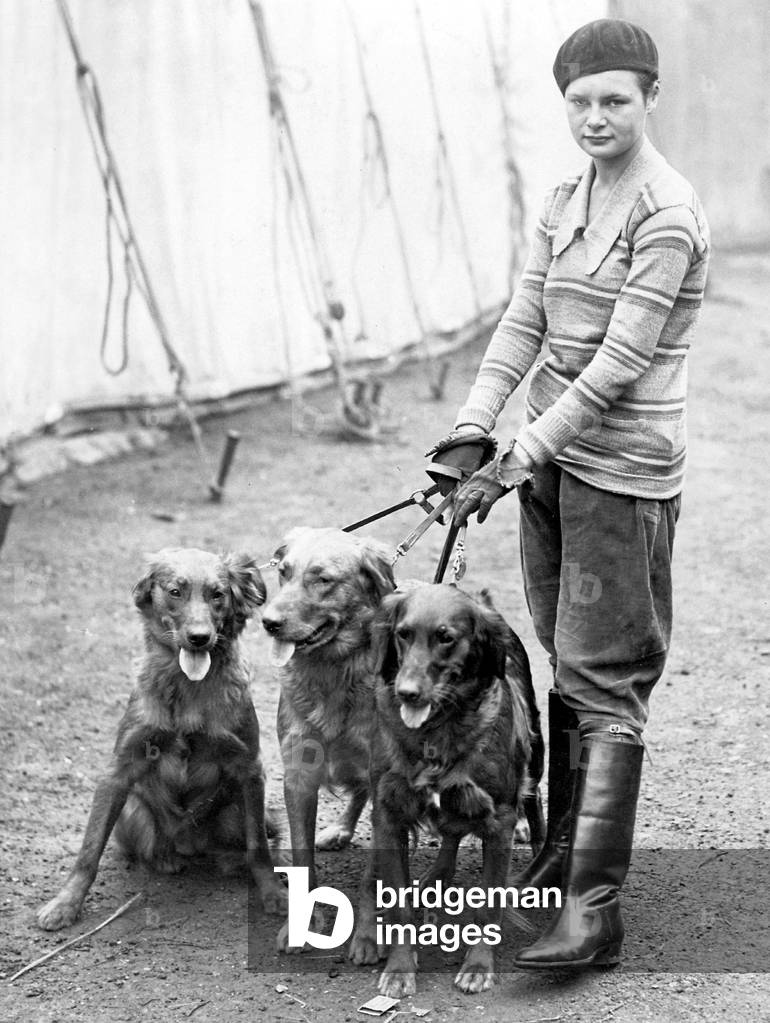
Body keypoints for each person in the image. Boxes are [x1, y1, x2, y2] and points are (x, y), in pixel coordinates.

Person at [428, 18, 709, 969]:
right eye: (580, 101)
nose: (595, 117)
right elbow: (524, 321)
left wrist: (519, 455)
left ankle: (594, 910)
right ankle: (558, 855)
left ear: (649, 98)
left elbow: (620, 363)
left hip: (622, 474)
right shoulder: (564, 197)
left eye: (614, 100)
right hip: (552, 465)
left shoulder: (667, 212)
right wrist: (473, 428)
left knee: (606, 671)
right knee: (564, 651)